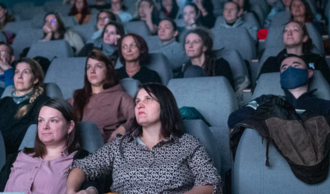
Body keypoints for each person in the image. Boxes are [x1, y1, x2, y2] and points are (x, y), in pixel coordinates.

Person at [67, 83, 223, 194]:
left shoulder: (187, 144)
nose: (139, 105)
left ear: (165, 105)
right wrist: (71, 191)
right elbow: (82, 167)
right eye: (137, 102)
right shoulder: (121, 145)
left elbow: (211, 183)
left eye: (148, 99)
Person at [0, 98, 99, 194]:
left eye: (53, 121)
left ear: (70, 126)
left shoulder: (82, 159)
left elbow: (95, 182)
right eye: (41, 120)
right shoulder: (17, 157)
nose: (45, 126)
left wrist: (90, 190)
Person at [229, 54, 330, 129]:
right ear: (281, 76)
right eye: (285, 68)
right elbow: (233, 119)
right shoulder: (265, 101)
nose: (290, 70)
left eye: (296, 66)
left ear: (309, 73)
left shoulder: (324, 106)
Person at [70, 50, 135, 143]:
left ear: (107, 71)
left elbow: (136, 117)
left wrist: (123, 128)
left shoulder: (120, 96)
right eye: (88, 67)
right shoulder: (77, 96)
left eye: (98, 66)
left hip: (106, 145)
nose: (92, 71)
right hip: (78, 145)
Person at [0, 58, 50, 156]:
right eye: (17, 72)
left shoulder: (43, 103)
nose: (19, 76)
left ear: (35, 79)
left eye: (25, 72)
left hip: (15, 155)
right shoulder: (4, 102)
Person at [258, 21, 330, 85]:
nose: (289, 33)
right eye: (286, 30)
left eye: (295, 30)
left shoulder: (317, 60)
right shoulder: (271, 62)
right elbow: (259, 88)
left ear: (304, 38)